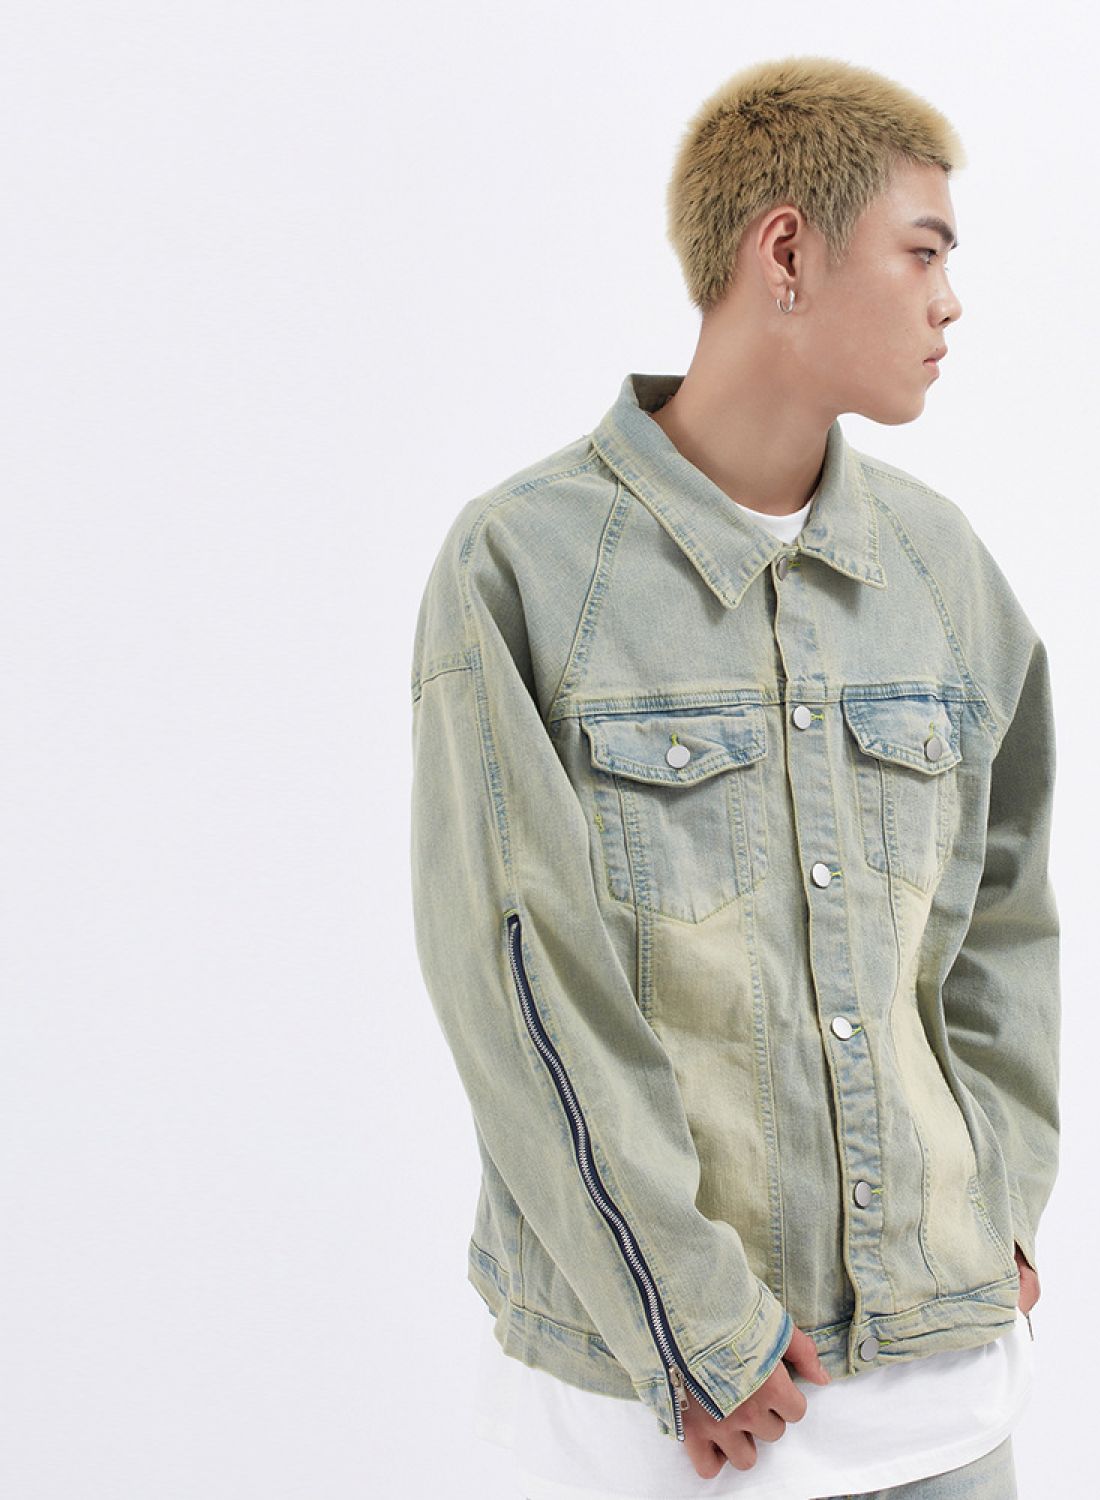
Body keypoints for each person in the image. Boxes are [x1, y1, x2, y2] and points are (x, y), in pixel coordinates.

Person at [409, 54, 1062, 1500]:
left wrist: (1000, 1205)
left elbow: (1001, 923)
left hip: (948, 1396)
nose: (951, 300)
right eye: (924, 251)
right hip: (671, 1416)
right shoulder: (525, 566)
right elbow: (518, 980)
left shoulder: (941, 568)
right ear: (785, 253)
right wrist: (687, 1321)